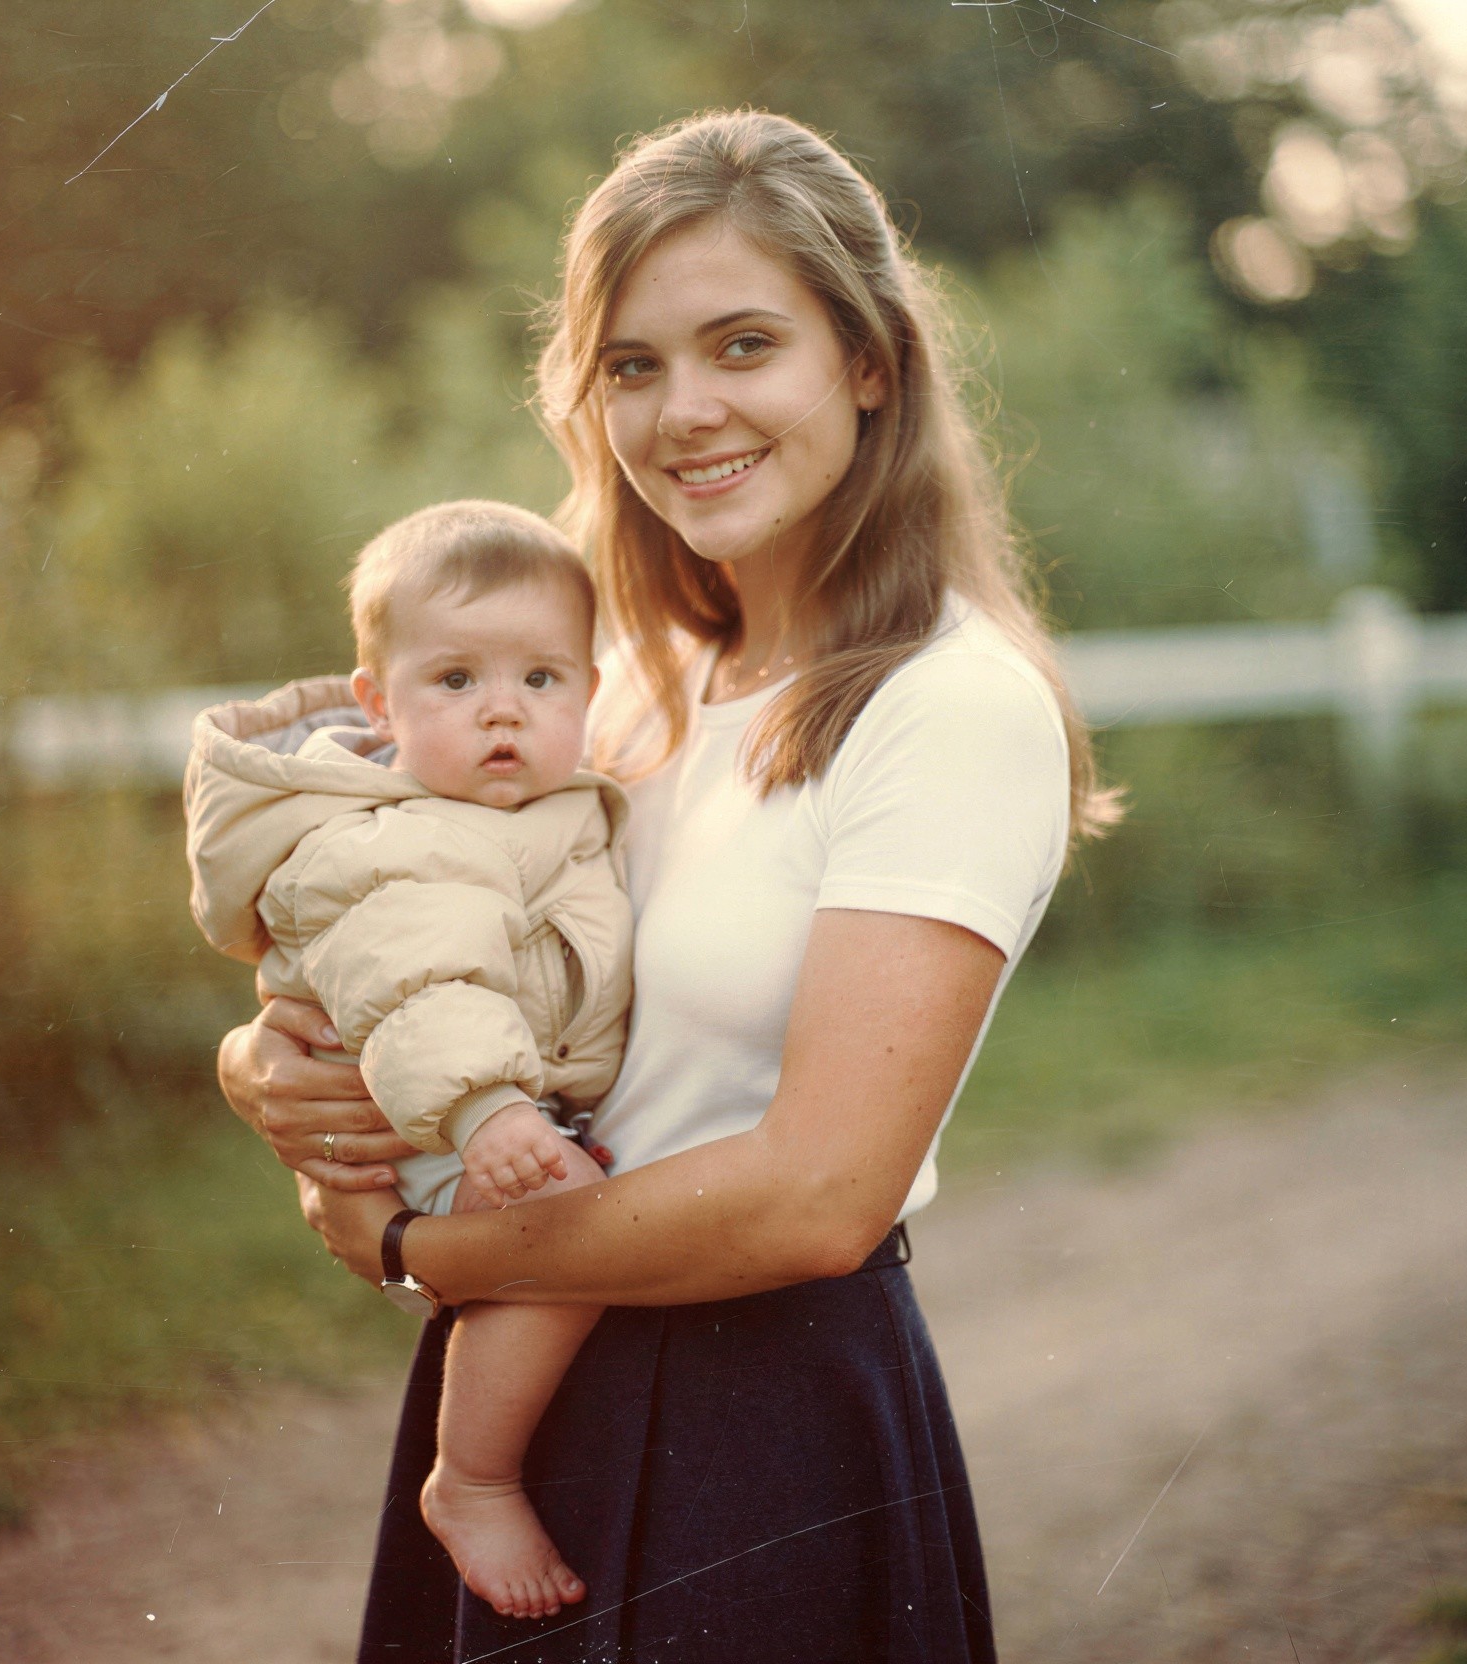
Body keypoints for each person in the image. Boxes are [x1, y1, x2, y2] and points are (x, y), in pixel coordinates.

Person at [217, 110, 1119, 1661]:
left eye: (742, 344)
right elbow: (393, 906)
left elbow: (816, 1197)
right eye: (632, 365)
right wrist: (267, 1068)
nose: (685, 410)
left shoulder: (946, 705)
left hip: (761, 1422)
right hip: (521, 1386)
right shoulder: (611, 684)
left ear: (870, 363)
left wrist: (402, 1248)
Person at [183, 501, 634, 1620]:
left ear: (588, 686)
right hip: (435, 1120)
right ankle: (471, 1477)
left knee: (557, 1220)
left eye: (541, 681)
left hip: (481, 1107)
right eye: (455, 681)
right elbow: (420, 986)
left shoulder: (520, 809)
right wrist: (491, 1114)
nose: (501, 712)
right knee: (565, 1218)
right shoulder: (396, 835)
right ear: (376, 703)